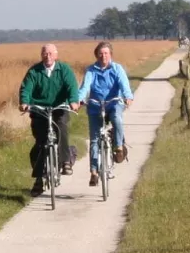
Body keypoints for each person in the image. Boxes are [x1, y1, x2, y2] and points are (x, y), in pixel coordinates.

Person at [19, 43, 81, 197]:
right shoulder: (34, 71)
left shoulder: (64, 70)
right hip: (39, 110)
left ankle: (66, 161)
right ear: (41, 55)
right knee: (40, 144)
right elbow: (26, 88)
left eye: (50, 53)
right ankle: (39, 181)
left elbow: (72, 86)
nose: (48, 56)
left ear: (56, 55)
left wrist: (73, 101)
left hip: (59, 108)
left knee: (62, 129)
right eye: (45, 54)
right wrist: (24, 102)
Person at [78, 41, 135, 188]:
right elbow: (85, 87)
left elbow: (124, 84)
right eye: (101, 53)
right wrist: (78, 100)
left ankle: (119, 147)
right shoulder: (91, 70)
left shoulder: (116, 68)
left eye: (106, 53)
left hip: (113, 103)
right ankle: (94, 172)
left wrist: (128, 96)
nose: (104, 56)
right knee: (95, 138)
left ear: (111, 55)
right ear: (97, 55)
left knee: (116, 118)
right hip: (96, 105)